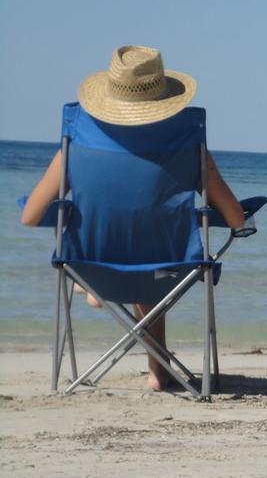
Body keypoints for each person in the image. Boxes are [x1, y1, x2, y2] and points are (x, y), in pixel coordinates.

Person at [20, 45, 246, 391]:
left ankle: (92, 287)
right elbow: (235, 220)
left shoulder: (79, 139)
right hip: (168, 272)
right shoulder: (187, 143)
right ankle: (158, 369)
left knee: (137, 256)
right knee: (156, 260)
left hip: (92, 268)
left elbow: (31, 216)